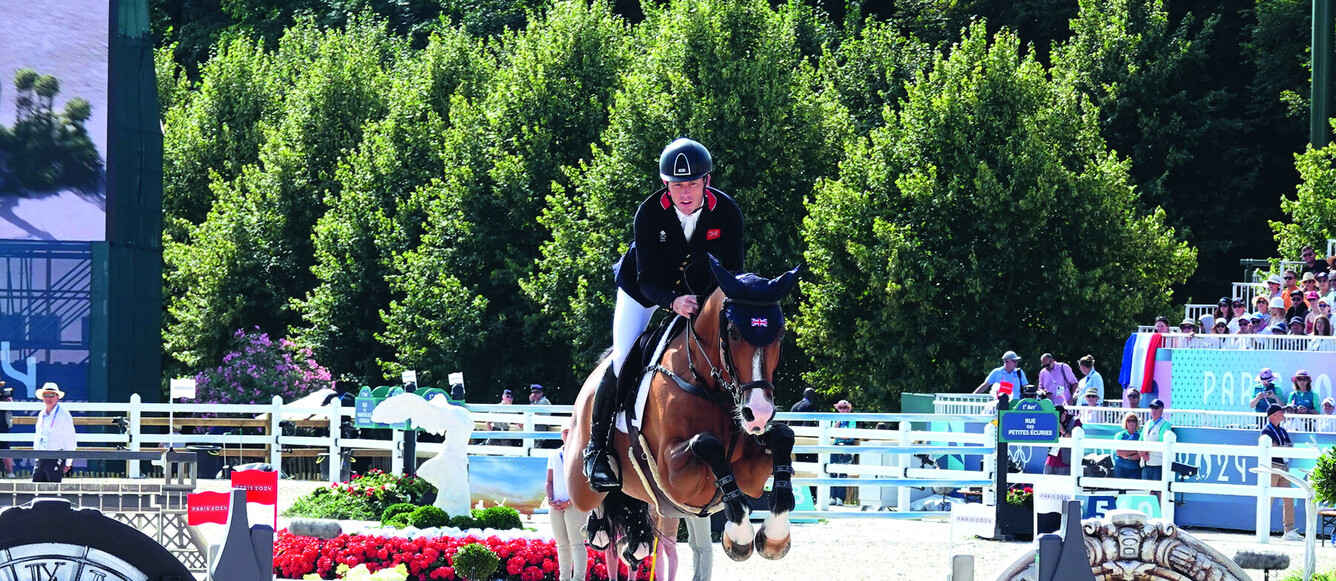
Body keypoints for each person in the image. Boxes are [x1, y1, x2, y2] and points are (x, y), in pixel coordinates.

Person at [585, 138, 745, 491]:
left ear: (706, 181)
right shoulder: (649, 213)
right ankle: (597, 450)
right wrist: (673, 302)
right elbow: (646, 280)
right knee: (622, 358)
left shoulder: (727, 212)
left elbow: (733, 273)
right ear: (665, 184)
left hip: (700, 295)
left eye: (692, 184)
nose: (685, 193)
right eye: (676, 185)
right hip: (643, 292)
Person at [546, 428, 588, 581]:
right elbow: (549, 481)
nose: (567, 435)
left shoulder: (581, 454)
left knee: (577, 543)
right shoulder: (554, 455)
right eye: (564, 432)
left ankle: (578, 578)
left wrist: (569, 501)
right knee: (562, 545)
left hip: (574, 504)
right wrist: (550, 499)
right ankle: (564, 578)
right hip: (556, 505)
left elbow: (584, 483)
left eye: (570, 432)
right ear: (561, 435)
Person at [1261, 404, 1301, 541]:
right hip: (1272, 467)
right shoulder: (1266, 431)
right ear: (1274, 415)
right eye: (1280, 412)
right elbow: (1274, 448)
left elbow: (1288, 446)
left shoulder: (1282, 430)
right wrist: (1282, 447)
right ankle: (1262, 529)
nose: (1283, 414)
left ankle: (1289, 531)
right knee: (1268, 499)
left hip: (1283, 467)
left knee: (1289, 498)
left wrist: (1281, 447)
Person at [32, 383, 75, 483]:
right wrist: (36, 455)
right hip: (41, 456)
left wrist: (68, 462)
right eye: (45, 395)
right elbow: (37, 436)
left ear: (57, 397)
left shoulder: (64, 414)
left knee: (53, 487)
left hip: (56, 455)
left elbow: (70, 439)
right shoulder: (41, 414)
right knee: (36, 486)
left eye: (52, 395)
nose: (48, 398)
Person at [1042, 405, 1082, 475]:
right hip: (1051, 459)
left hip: (1065, 461)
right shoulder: (1050, 420)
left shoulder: (1075, 421)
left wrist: (1063, 431)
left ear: (1064, 414)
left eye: (1058, 417)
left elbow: (1077, 440)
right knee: (1047, 480)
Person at [830, 400, 855, 506]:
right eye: (840, 408)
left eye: (845, 408)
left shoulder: (851, 420)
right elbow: (833, 433)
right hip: (836, 445)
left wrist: (838, 435)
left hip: (847, 445)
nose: (843, 410)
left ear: (849, 409)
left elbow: (849, 436)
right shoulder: (835, 419)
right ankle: (832, 496)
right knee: (832, 471)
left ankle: (840, 497)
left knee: (843, 472)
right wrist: (838, 422)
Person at [1140, 399, 1172, 483]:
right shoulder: (1147, 423)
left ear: (1162, 409)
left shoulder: (1165, 424)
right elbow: (1141, 440)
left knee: (1158, 489)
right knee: (1146, 488)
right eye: (1152, 408)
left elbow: (1162, 443)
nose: (1153, 410)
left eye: (1156, 408)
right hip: (1145, 463)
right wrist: (1141, 453)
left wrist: (1144, 451)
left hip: (1158, 464)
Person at [1113, 413, 1143, 479]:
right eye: (1129, 421)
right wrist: (1134, 452)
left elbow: (1140, 454)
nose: (1131, 423)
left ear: (1136, 423)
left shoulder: (1141, 436)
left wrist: (1126, 455)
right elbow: (1118, 452)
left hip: (1135, 468)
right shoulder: (1119, 435)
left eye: (1133, 421)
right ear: (1125, 422)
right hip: (1120, 467)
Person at [0, 383, 12, 477]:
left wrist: (8, 400)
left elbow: (12, 406)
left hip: (3, 424)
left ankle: (10, 472)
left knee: (5, 448)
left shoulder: (4, 395)